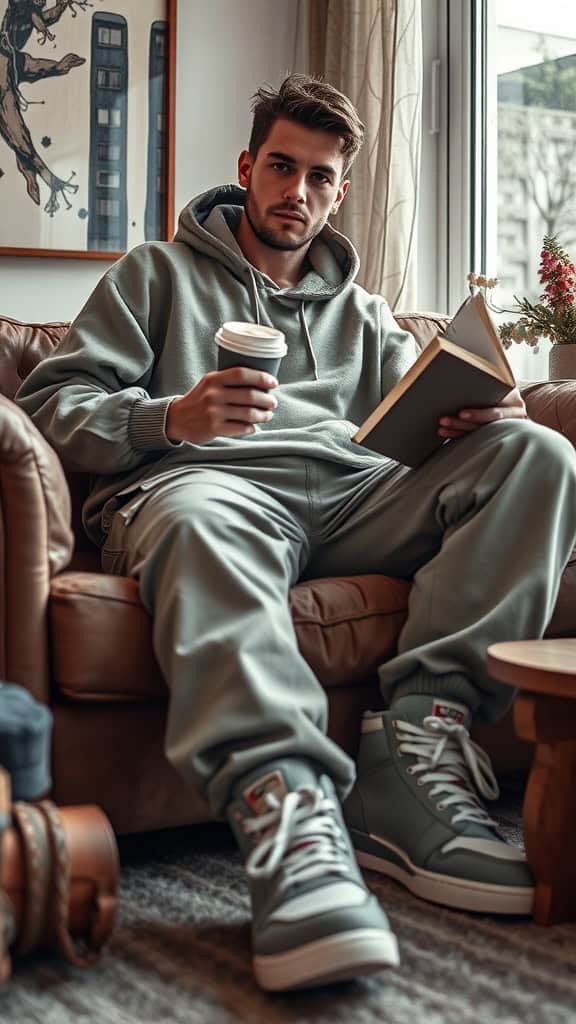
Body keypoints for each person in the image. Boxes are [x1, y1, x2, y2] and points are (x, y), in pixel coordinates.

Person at [16, 74, 576, 992]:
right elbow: (54, 404)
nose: (298, 193)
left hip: (355, 497)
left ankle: (417, 746)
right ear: (247, 167)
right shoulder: (153, 275)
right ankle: (289, 812)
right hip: (206, 485)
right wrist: (171, 420)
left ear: (341, 190)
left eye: (321, 177)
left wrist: (480, 410)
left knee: (537, 454)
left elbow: (420, 414)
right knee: (199, 523)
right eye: (282, 168)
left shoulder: (366, 316)